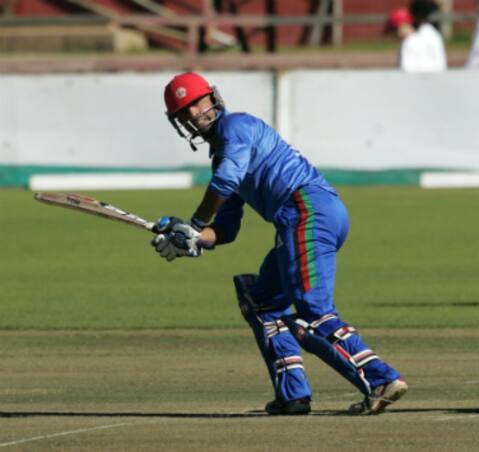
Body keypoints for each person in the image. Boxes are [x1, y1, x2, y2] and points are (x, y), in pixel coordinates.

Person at [153, 72, 407, 415]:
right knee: (261, 303)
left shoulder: (236, 127)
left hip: (305, 210)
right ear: (178, 122)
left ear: (213, 98)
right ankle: (293, 395)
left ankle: (380, 378)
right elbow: (226, 229)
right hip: (305, 217)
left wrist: (194, 223)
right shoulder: (221, 155)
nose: (195, 114)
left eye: (198, 103)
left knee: (312, 311)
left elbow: (226, 182)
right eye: (185, 111)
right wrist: (194, 239)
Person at [386, 1, 447, 72]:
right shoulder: (434, 34)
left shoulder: (410, 41)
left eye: (395, 31)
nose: (394, 36)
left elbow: (405, 70)